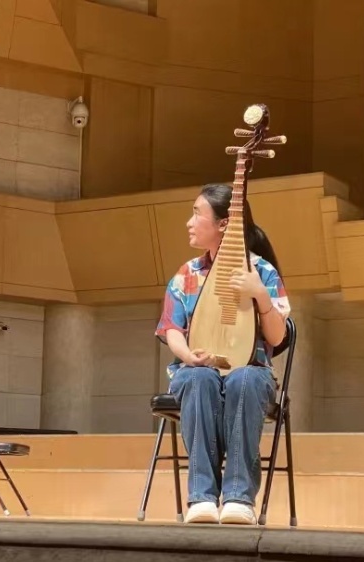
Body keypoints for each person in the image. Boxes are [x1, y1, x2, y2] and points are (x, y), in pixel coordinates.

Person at [155, 183, 290, 525]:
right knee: (199, 379)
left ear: (224, 224)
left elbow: (277, 337)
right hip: (195, 370)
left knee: (245, 380)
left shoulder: (262, 272)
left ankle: (238, 498)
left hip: (252, 372)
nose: (189, 222)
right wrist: (189, 356)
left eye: (196, 214)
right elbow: (171, 328)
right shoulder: (187, 274)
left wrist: (260, 295)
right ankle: (201, 497)